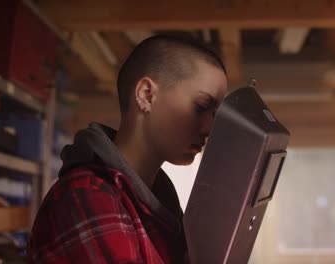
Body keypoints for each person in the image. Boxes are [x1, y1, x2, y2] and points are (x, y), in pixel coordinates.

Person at [27, 35, 228, 263]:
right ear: (146, 95)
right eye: (201, 106)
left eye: (215, 115)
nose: (210, 128)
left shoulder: (161, 201)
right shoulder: (88, 195)